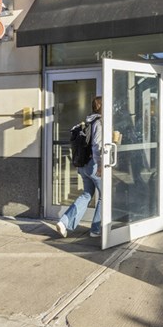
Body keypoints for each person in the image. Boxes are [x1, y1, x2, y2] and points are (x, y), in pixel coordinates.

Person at [55, 96, 103, 239]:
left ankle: (64, 222)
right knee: (105, 196)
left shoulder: (88, 120)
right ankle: (96, 229)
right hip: (93, 165)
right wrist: (100, 164)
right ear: (100, 107)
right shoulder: (99, 122)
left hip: (83, 165)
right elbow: (96, 145)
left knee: (87, 194)